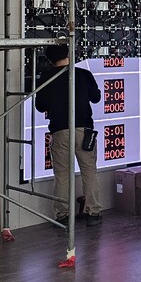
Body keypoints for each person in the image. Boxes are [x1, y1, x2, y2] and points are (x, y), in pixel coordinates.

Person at [35, 44, 103, 227]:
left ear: (49, 60)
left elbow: (40, 106)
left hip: (59, 131)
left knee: (62, 175)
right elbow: (96, 97)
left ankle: (63, 215)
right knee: (89, 171)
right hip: (84, 130)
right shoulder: (83, 74)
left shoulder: (46, 77)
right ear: (68, 54)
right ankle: (93, 213)